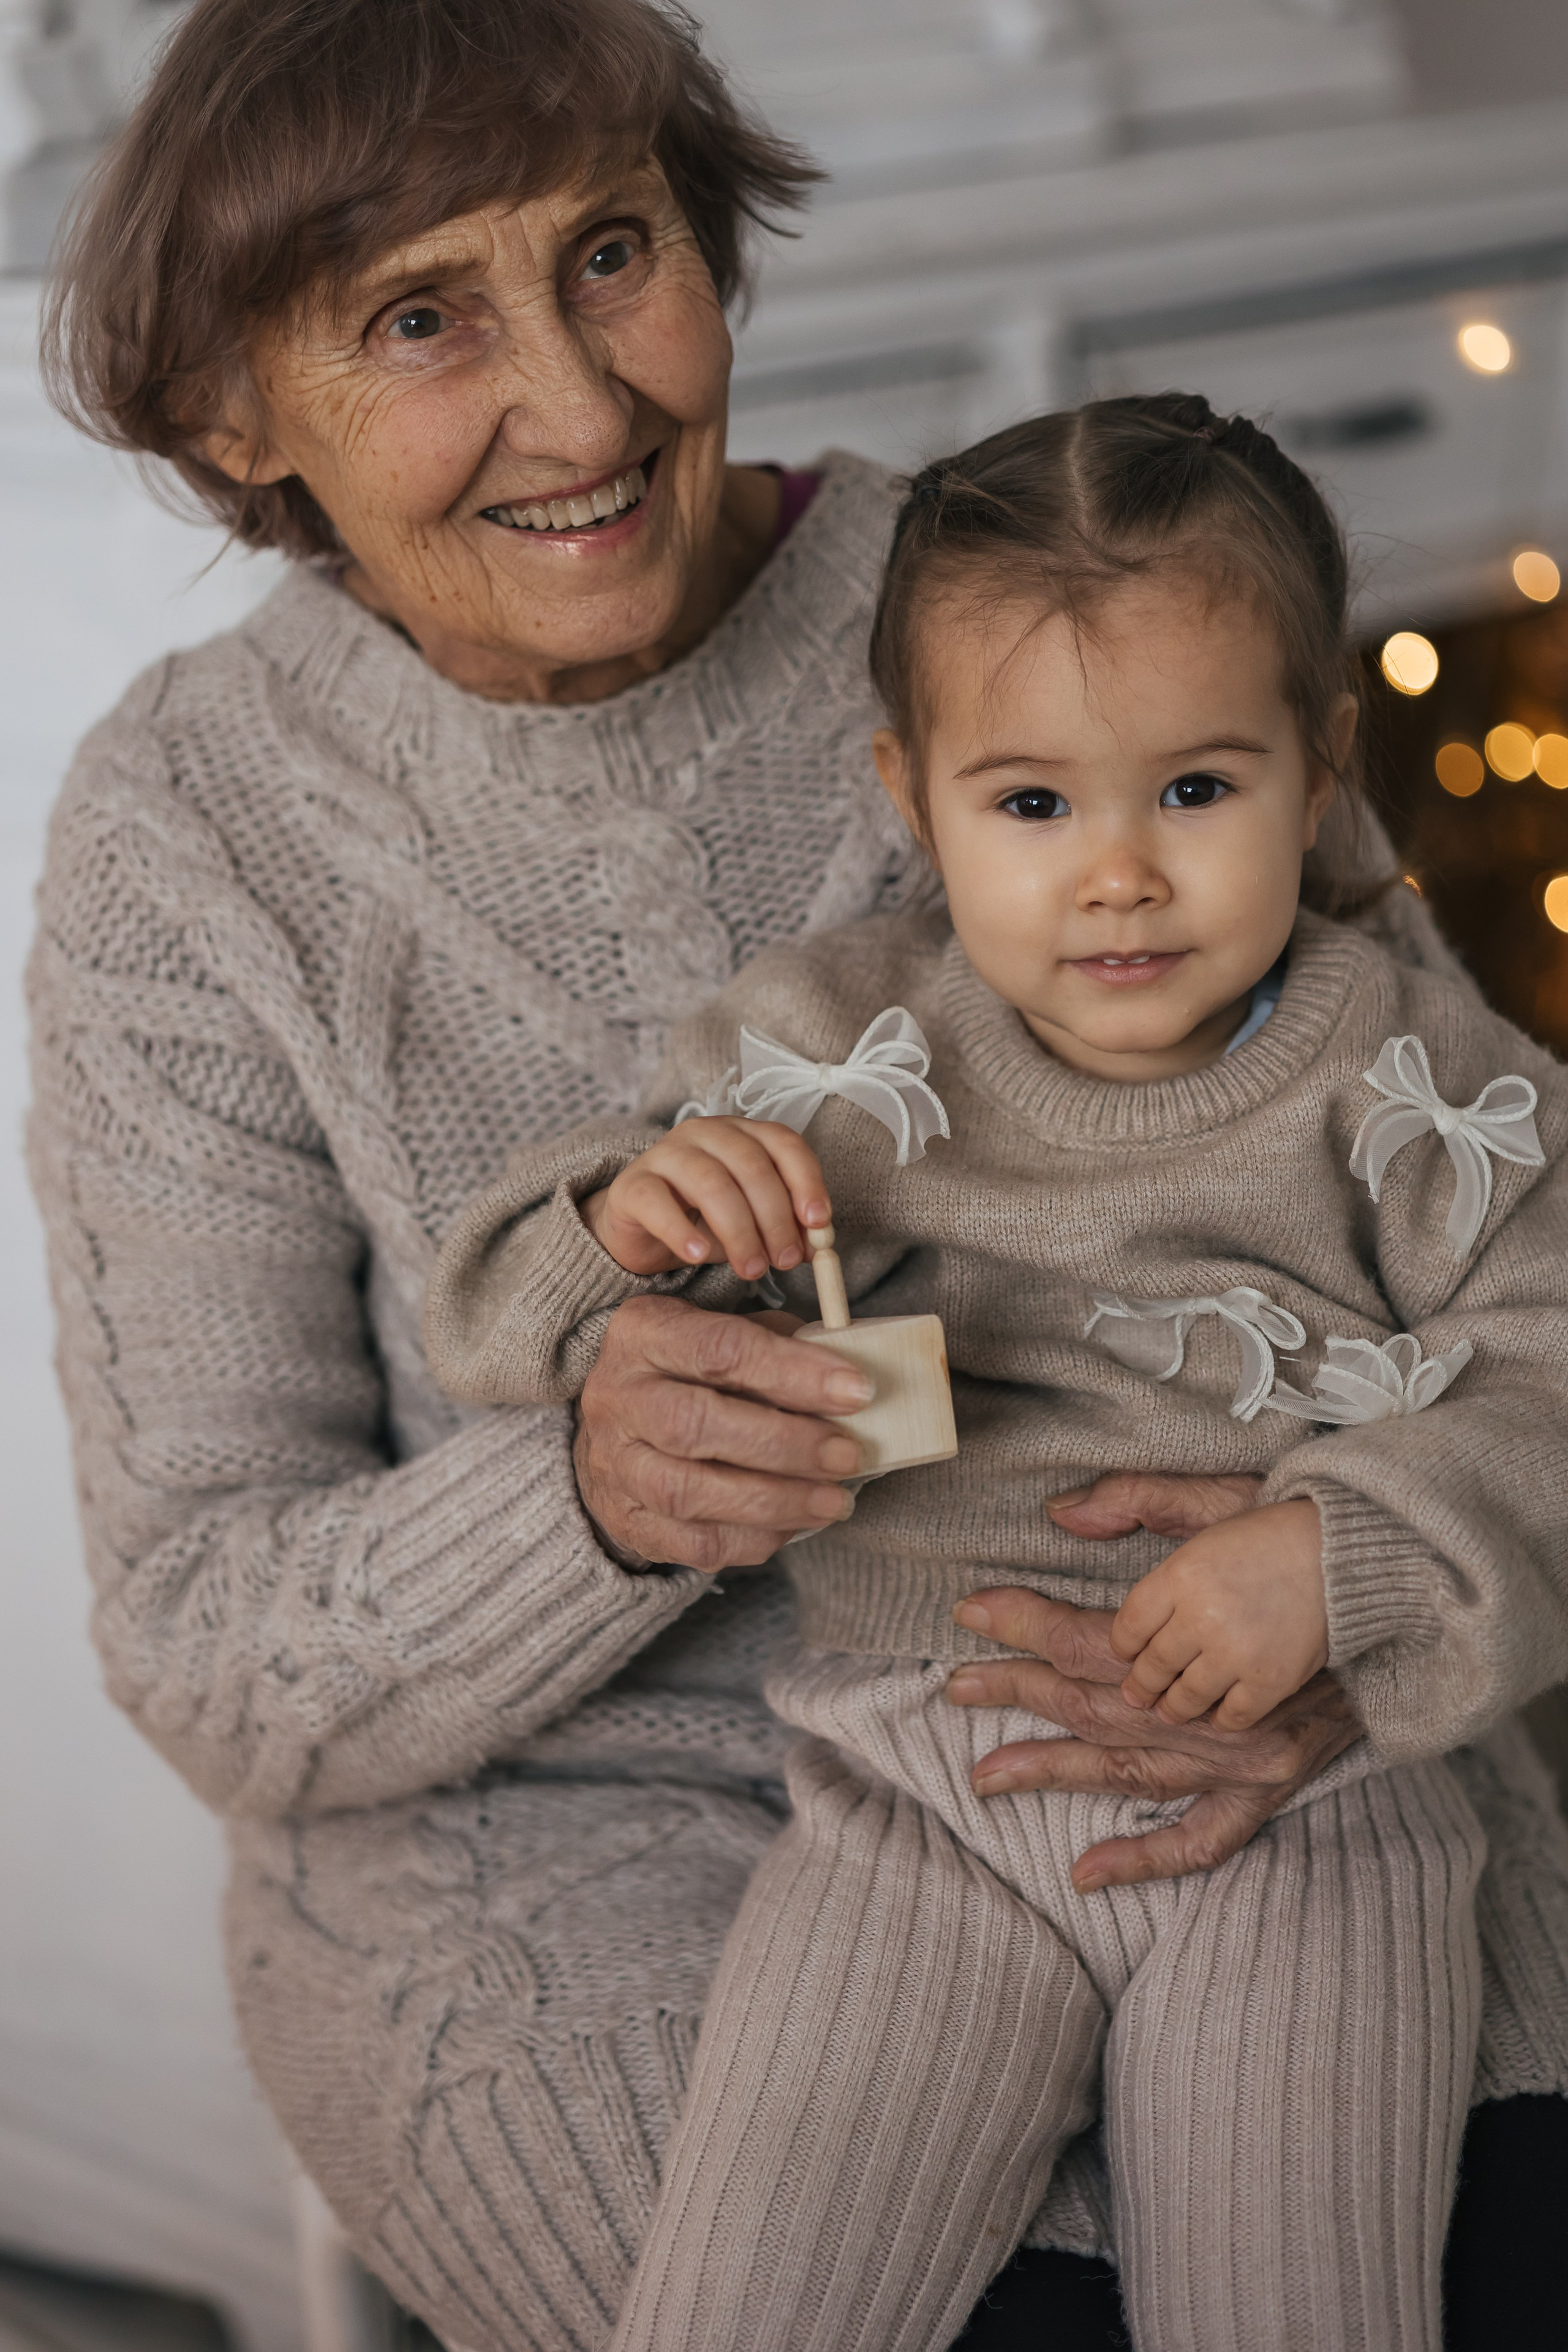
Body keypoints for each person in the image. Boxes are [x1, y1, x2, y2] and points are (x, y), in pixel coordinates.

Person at [21, 0, 1566, 2343]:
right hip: (568, 1860)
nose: (584, 404)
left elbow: (1482, 1276)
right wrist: (595, 1501)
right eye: (425, 318)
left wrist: (1360, 1607)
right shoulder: (185, 851)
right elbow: (212, 1644)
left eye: (616, 253)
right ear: (238, 412)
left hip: (1244, 1726)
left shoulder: (1070, 612)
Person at [426, 396, 1568, 2352]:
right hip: (911, 1795)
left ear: (1319, 773)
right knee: (746, 2304)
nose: (1116, 875)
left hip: (1302, 1812)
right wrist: (620, 1227)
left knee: (1297, 2307)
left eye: (1194, 790)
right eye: (1033, 807)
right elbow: (505, 1333)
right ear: (916, 793)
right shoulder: (841, 1055)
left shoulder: (1422, 1085)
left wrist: (1351, 1553)